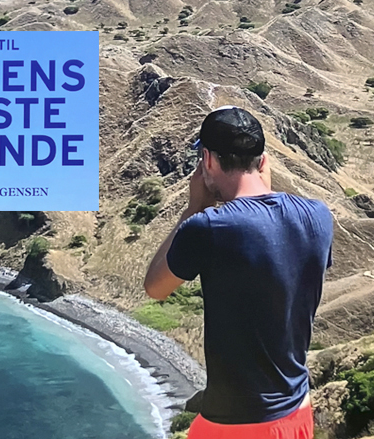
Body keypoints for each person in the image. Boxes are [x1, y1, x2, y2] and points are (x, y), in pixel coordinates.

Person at [143, 106, 334, 439]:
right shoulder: (319, 216)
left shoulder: (207, 228)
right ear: (262, 161)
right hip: (297, 413)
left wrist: (194, 208)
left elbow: (155, 287)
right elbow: (277, 257)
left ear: (207, 160)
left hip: (235, 426)